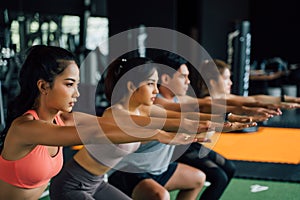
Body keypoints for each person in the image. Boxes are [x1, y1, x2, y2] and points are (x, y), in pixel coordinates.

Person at [0, 45, 201, 200]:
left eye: (76, 85)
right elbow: (98, 132)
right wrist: (159, 133)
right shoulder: (26, 128)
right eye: (69, 84)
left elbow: (106, 125)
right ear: (43, 86)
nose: (76, 93)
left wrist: (182, 127)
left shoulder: (62, 119)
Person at [152, 52, 237, 200]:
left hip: (187, 145)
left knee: (230, 169)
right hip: (174, 151)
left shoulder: (179, 98)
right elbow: (194, 117)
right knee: (219, 177)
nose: (188, 82)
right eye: (183, 76)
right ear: (165, 79)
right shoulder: (157, 103)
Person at [197, 59, 300, 109]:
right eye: (226, 79)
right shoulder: (208, 101)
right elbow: (251, 102)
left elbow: (255, 99)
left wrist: (291, 99)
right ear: (212, 82)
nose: (230, 82)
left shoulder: (227, 97)